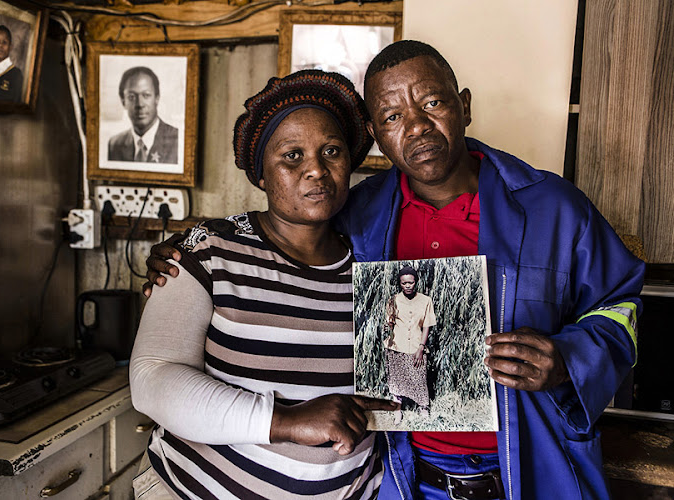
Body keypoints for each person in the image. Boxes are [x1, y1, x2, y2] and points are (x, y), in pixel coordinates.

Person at [143, 40, 644, 500]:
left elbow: (621, 306)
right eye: (391, 116)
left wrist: (567, 359)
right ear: (378, 136)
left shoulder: (553, 207)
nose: (418, 126)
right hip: (404, 479)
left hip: (532, 471)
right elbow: (285, 224)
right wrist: (184, 251)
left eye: (432, 103)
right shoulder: (358, 217)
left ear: (463, 105)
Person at [129, 70, 398, 499]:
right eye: (292, 155)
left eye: (331, 150)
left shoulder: (376, 264)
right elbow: (152, 380)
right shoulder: (208, 250)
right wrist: (286, 421)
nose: (315, 170)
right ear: (261, 176)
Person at [385, 265, 436, 422]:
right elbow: (390, 323)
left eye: (410, 283)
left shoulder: (426, 301)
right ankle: (397, 410)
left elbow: (427, 324)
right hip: (396, 347)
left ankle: (423, 408)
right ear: (399, 283)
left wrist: (421, 347)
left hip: (416, 346)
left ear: (416, 282)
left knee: (419, 378)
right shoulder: (393, 300)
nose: (407, 286)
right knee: (396, 380)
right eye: (403, 283)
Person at [108, 66, 179, 164]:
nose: (140, 104)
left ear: (157, 98)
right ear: (123, 102)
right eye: (131, 97)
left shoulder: (178, 141)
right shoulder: (114, 145)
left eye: (146, 95)